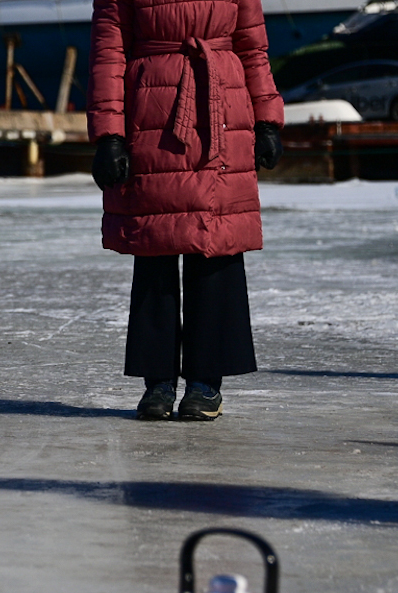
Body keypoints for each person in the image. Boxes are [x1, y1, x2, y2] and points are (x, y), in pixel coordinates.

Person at [88, 0, 284, 421]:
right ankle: (157, 381)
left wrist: (267, 118)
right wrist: (109, 136)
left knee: (217, 246)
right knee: (157, 244)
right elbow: (109, 53)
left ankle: (204, 383)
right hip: (151, 113)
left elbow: (252, 46)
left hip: (224, 109)